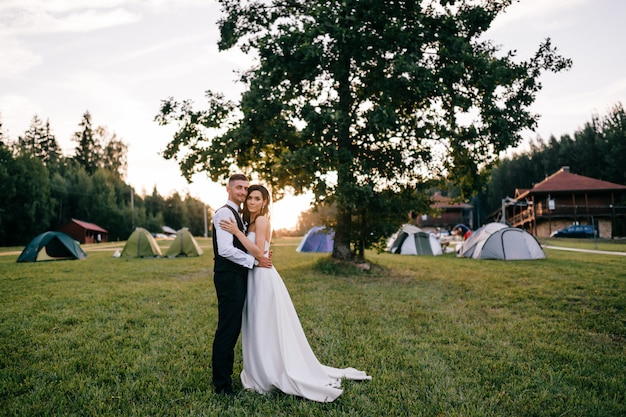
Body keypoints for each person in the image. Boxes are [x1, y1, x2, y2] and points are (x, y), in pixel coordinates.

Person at [220, 184, 371, 402]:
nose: (252, 202)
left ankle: (269, 372)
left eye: (257, 199)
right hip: (253, 275)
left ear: (264, 202)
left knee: (263, 324)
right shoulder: (249, 221)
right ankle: (258, 369)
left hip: (262, 278)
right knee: (256, 324)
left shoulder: (261, 220)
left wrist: (235, 233)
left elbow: (257, 250)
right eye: (250, 198)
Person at [211, 174, 272, 397]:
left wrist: (261, 252)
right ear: (228, 188)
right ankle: (221, 385)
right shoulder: (224, 214)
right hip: (229, 277)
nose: (243, 192)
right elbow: (225, 250)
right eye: (238, 187)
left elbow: (251, 243)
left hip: (240, 275)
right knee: (228, 329)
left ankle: (230, 377)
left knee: (235, 327)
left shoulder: (241, 215)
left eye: (245, 188)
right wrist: (255, 260)